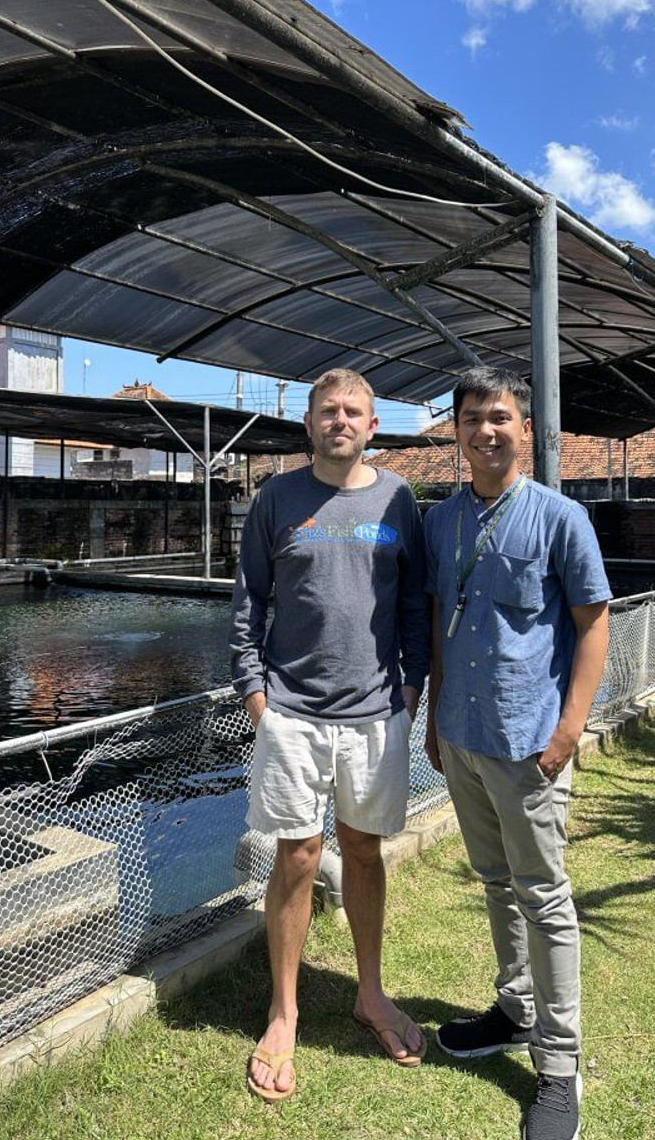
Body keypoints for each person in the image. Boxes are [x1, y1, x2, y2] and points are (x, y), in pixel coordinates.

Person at [230, 367, 430, 1103]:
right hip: (291, 712)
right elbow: (250, 598)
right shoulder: (276, 497)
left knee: (363, 851)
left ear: (372, 426)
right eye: (328, 410)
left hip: (376, 711)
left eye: (353, 411)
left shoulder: (398, 498)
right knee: (296, 854)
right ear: (309, 422)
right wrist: (255, 694)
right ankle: (283, 1011)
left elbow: (414, 599)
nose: (340, 420)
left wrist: (411, 687)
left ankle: (369, 992)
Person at [423, 367, 610, 1140]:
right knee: (496, 883)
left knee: (546, 899)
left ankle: (558, 1072)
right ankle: (514, 1010)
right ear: (458, 431)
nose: (485, 430)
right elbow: (439, 619)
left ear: (526, 431)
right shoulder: (441, 521)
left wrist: (567, 733)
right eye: (471, 418)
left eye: (499, 417)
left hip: (530, 745)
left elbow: (594, 622)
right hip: (463, 741)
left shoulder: (561, 519)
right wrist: (433, 720)